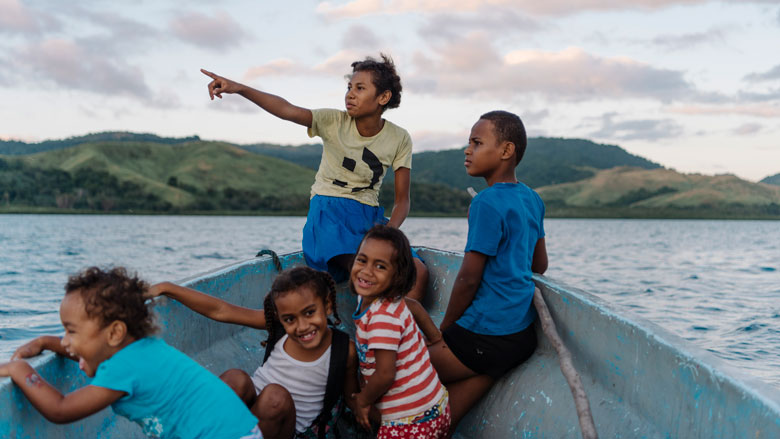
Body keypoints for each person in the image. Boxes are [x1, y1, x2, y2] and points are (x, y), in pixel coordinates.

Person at [200, 53, 428, 300]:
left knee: (419, 272)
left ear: (383, 97)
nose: (350, 94)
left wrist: (389, 234)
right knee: (367, 273)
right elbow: (286, 109)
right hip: (329, 213)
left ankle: (404, 333)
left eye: (360, 88)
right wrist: (240, 88)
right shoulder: (333, 121)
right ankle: (372, 332)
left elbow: (402, 200)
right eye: (349, 87)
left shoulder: (400, 138)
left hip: (369, 217)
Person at [1, 266, 261, 439]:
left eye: (71, 331)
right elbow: (94, 352)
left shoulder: (124, 368)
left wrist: (19, 369)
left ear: (115, 333)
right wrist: (47, 342)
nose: (66, 341)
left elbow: (61, 409)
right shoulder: (144, 349)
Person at [426, 110, 548, 433]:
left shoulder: (486, 203)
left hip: (488, 333)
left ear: (506, 151)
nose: (467, 150)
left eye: (477, 143)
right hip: (520, 338)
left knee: (397, 368)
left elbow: (467, 279)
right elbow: (539, 266)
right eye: (469, 143)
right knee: (450, 409)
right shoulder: (533, 199)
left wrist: (445, 330)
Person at [147, 266, 359, 439]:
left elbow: (353, 399)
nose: (302, 326)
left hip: (287, 429)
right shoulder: (278, 327)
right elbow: (221, 310)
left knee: (275, 396)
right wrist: (169, 287)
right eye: (290, 319)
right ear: (280, 317)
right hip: (252, 411)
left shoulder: (343, 350)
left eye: (309, 313)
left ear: (328, 305)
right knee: (236, 378)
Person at [350, 225, 450, 439]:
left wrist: (362, 401)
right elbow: (414, 305)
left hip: (411, 421)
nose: (366, 271)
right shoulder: (379, 296)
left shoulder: (381, 317)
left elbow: (385, 374)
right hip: (435, 404)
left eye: (380, 266)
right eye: (362, 260)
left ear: (397, 276)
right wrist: (435, 337)